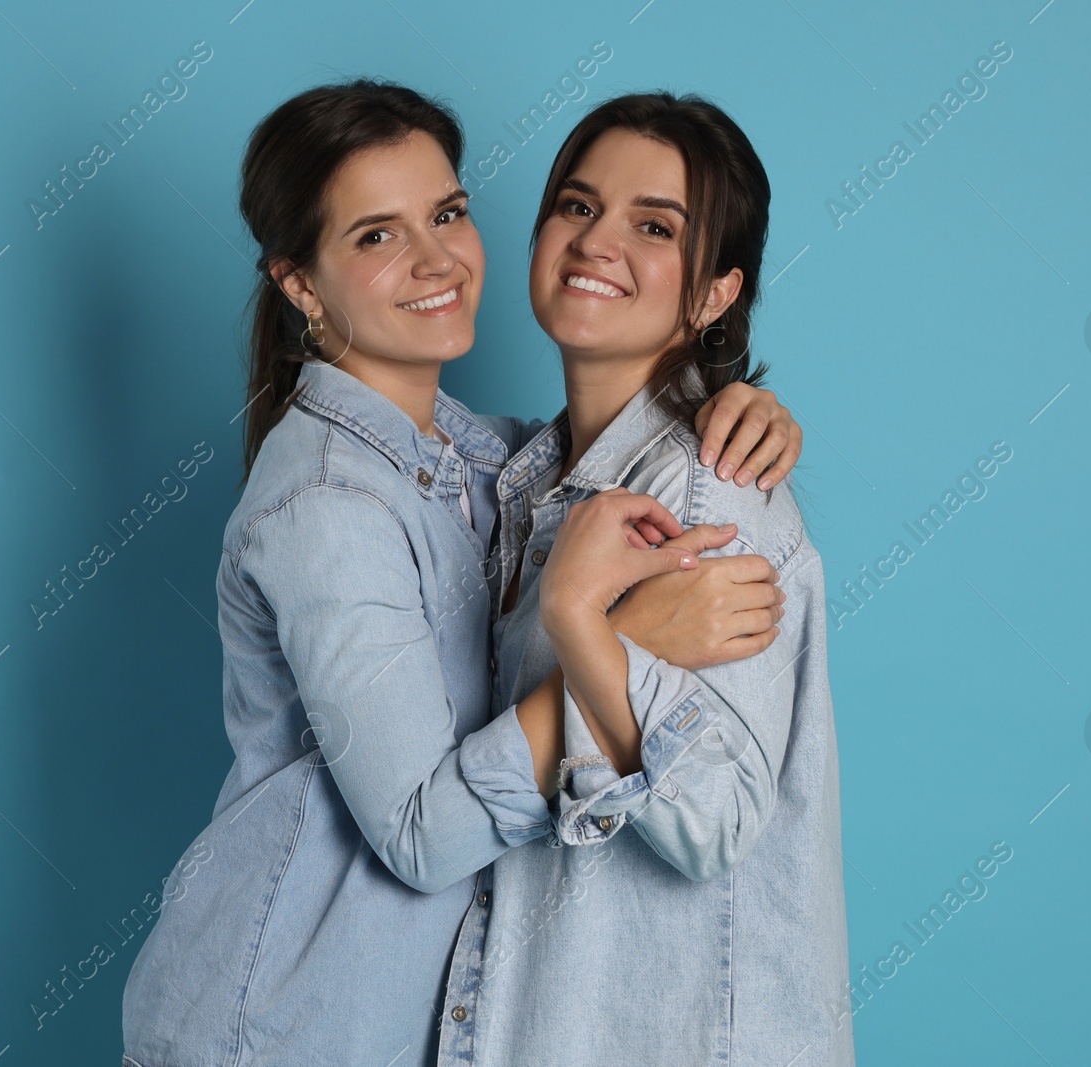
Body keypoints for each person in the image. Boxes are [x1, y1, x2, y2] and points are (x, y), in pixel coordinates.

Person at [120, 80, 803, 1067]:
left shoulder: (482, 462)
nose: (436, 260)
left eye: (446, 213)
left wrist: (739, 399)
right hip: (287, 1026)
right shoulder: (328, 508)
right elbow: (420, 835)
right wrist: (622, 636)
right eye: (374, 236)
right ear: (301, 285)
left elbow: (586, 461)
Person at [434, 92, 854, 1066]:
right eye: (576, 206)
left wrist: (588, 624)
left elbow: (709, 820)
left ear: (713, 293)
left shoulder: (712, 493)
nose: (596, 240)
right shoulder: (523, 480)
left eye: (654, 225)